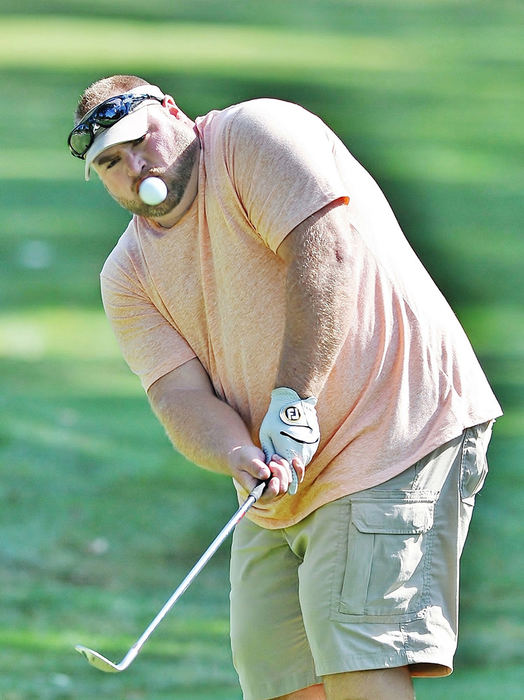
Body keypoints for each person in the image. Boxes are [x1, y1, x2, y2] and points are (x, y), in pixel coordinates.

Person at [68, 74, 502, 700]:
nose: (136, 166)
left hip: (392, 429)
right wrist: (234, 454)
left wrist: (293, 401)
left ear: (172, 111)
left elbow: (324, 252)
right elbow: (179, 396)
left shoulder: (256, 135)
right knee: (279, 678)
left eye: (141, 141)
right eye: (111, 161)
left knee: (360, 668)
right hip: (279, 480)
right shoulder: (128, 274)